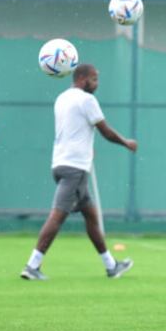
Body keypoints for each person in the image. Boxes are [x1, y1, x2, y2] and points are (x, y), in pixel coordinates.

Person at [22, 63, 135, 280]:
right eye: (95, 79)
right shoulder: (87, 100)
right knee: (57, 215)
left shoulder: (62, 98)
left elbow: (75, 129)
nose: (97, 84)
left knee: (91, 216)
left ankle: (111, 266)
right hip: (75, 168)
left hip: (61, 164)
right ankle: (32, 265)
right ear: (83, 79)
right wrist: (126, 143)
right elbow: (106, 131)